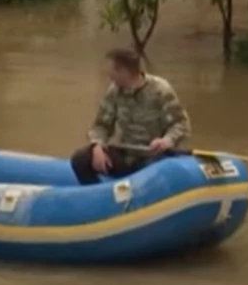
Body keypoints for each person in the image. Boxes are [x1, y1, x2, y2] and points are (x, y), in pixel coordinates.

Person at [70, 47, 191, 185]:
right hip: (128, 156)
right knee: (80, 159)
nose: (109, 75)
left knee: (156, 174)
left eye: (112, 71)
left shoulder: (160, 90)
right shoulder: (114, 92)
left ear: (124, 71)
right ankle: (99, 196)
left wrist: (166, 141)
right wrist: (97, 146)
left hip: (155, 158)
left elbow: (181, 124)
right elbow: (101, 126)